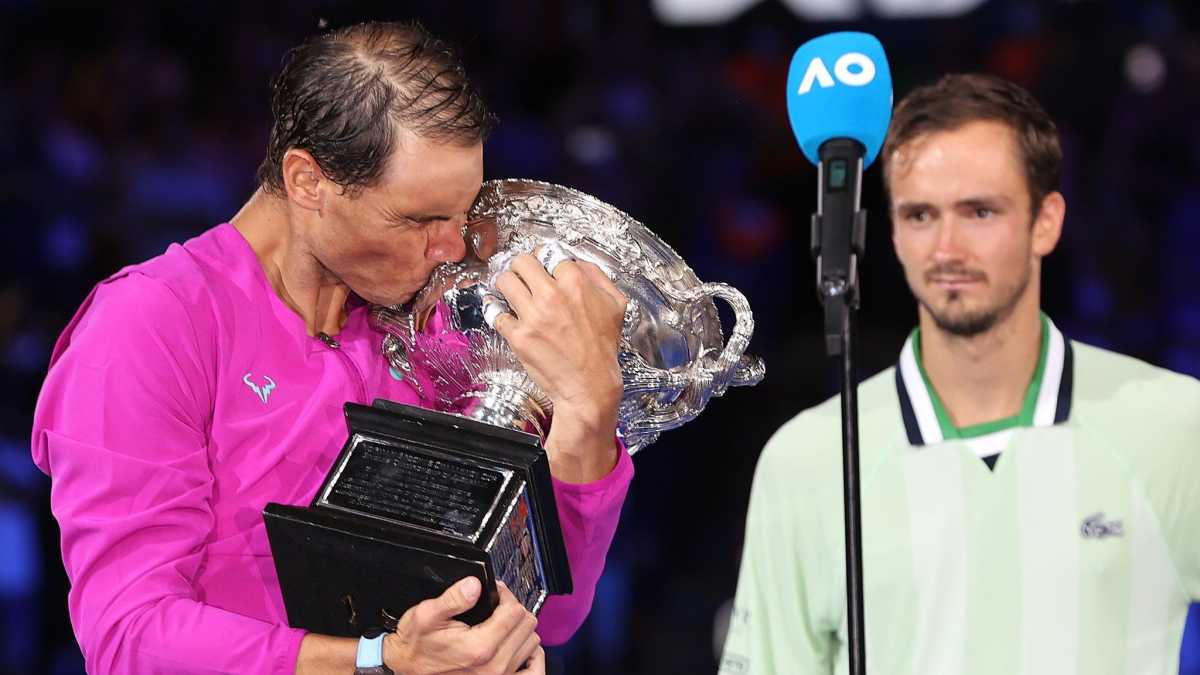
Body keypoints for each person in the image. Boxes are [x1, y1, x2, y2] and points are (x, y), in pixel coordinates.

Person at [31, 21, 634, 675]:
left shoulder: (430, 333)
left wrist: (588, 410)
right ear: (307, 181)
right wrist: (376, 662)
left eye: (460, 216)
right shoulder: (149, 326)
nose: (453, 249)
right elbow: (131, 636)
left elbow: (543, 608)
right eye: (420, 220)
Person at [720, 73, 1200, 673]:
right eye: (920, 215)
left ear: (1045, 221)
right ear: (891, 231)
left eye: (979, 211)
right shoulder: (809, 459)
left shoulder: (1176, 427)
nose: (947, 249)